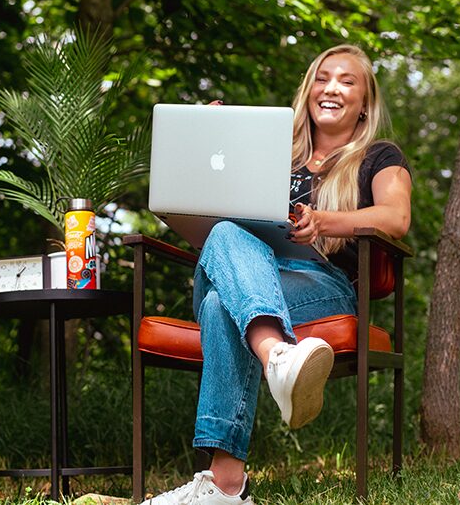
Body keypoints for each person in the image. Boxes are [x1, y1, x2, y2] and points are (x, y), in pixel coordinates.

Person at [140, 44, 412, 505]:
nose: (332, 88)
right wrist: (212, 139)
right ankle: (278, 360)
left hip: (321, 284)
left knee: (216, 305)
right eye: (324, 77)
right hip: (250, 274)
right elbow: (210, 221)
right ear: (309, 90)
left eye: (348, 81)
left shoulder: (378, 155)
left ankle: (225, 485)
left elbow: (395, 217)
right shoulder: (269, 154)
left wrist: (323, 222)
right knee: (225, 232)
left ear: (365, 104)